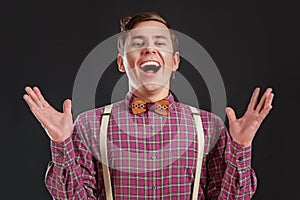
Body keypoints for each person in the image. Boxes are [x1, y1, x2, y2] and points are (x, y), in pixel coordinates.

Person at [23, 11, 274, 199]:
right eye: (138, 43)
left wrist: (241, 148)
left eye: (160, 43)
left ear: (174, 61)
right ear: (122, 63)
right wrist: (61, 143)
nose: (149, 49)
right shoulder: (90, 125)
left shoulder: (210, 126)